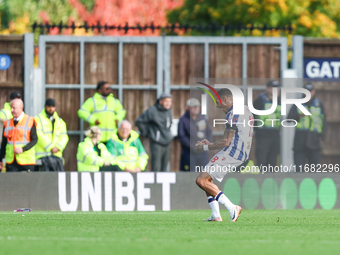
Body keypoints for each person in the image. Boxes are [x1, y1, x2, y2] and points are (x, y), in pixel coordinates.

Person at [195, 88, 254, 222]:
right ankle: (216, 214)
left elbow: (226, 142)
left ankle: (232, 207)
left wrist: (205, 146)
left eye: (218, 101)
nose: (217, 105)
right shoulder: (246, 109)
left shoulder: (233, 114)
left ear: (226, 99)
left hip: (233, 152)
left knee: (201, 180)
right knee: (207, 179)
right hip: (243, 152)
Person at [287, 83, 327, 171]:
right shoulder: (297, 104)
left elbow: (324, 121)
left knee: (314, 170)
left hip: (314, 141)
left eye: (310, 92)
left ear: (314, 92)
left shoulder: (319, 104)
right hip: (300, 142)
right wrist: (299, 116)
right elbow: (288, 118)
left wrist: (322, 136)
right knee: (299, 170)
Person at [135, 92, 173, 172]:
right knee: (156, 167)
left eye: (170, 101)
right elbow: (139, 121)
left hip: (167, 142)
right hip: (156, 143)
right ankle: (156, 184)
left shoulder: (169, 111)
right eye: (166, 101)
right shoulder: (152, 110)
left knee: (164, 167)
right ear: (160, 101)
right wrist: (146, 133)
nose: (168, 103)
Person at [0, 99, 37, 172]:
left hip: (26, 162)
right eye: (11, 107)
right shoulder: (7, 123)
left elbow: (34, 140)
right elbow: (4, 143)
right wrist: (0, 159)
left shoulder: (30, 121)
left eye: (14, 108)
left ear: (21, 108)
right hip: (11, 162)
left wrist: (23, 149)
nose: (11, 110)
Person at [178, 98, 212, 171]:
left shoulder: (202, 118)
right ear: (189, 108)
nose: (196, 109)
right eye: (194, 107)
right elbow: (181, 136)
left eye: (197, 107)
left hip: (203, 153)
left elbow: (209, 131)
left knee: (204, 173)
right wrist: (193, 146)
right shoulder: (183, 120)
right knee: (190, 173)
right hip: (189, 153)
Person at [35, 98, 69, 171]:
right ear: (45, 106)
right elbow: (38, 134)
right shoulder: (38, 119)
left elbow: (64, 136)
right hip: (42, 156)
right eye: (49, 106)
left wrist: (58, 147)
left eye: (53, 106)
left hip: (56, 156)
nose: (51, 109)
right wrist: (51, 147)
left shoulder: (60, 121)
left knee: (58, 179)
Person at [253, 80, 281, 168]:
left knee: (273, 161)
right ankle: (260, 180)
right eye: (273, 88)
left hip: (275, 135)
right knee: (262, 160)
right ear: (268, 89)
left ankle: (271, 180)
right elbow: (251, 115)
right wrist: (256, 130)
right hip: (263, 135)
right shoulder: (260, 100)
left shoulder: (279, 101)